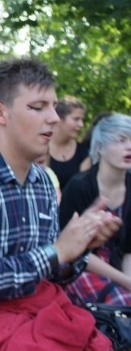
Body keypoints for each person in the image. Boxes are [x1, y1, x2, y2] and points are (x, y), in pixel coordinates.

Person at [0, 59, 122, 351]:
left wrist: (79, 246)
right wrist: (56, 251)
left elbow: (50, 275)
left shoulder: (43, 182)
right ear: (0, 113)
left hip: (34, 321)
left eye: (54, 107)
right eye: (38, 107)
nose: (54, 118)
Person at [60, 113, 131, 306]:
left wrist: (128, 280)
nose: (129, 146)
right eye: (121, 140)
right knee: (123, 302)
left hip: (119, 268)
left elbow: (129, 250)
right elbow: (74, 252)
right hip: (81, 269)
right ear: (99, 147)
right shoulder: (79, 187)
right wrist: (126, 283)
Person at [49, 96, 90, 189]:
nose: (81, 124)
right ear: (59, 119)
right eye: (76, 119)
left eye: (82, 120)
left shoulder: (82, 151)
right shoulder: (40, 147)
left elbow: (84, 187)